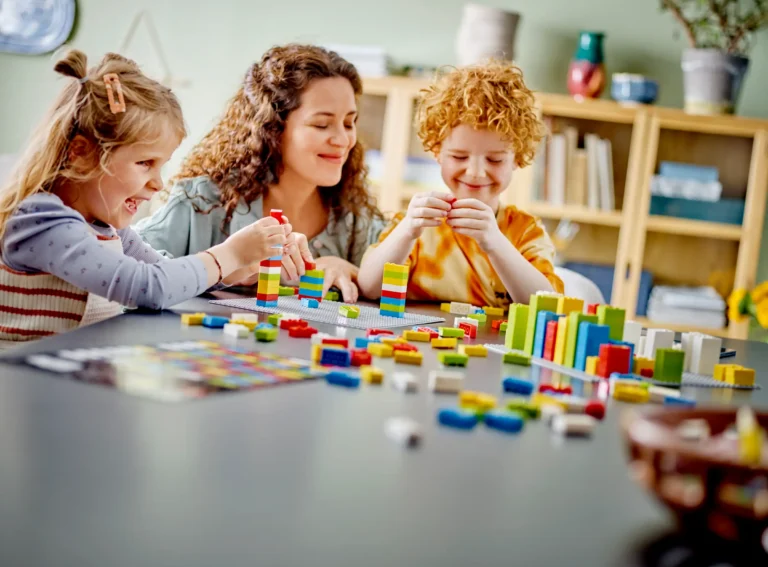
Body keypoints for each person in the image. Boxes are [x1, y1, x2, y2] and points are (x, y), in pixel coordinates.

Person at [0, 49, 308, 348]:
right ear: (81, 154)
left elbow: (166, 271)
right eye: (145, 163)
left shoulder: (108, 227)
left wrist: (236, 270)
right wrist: (229, 255)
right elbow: (147, 286)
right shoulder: (42, 221)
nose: (157, 184)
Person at [134, 44, 387, 303]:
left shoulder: (353, 216)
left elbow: (407, 273)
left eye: (349, 123)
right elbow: (128, 270)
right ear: (273, 128)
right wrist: (223, 265)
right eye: (321, 124)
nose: (343, 140)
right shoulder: (202, 202)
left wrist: (351, 270)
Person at [357, 60, 564, 306]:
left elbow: (548, 305)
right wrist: (408, 231)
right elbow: (369, 287)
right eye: (459, 156)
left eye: (495, 159)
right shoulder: (416, 224)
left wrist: (494, 242)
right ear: (437, 152)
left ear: (517, 158)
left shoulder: (524, 231)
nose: (475, 172)